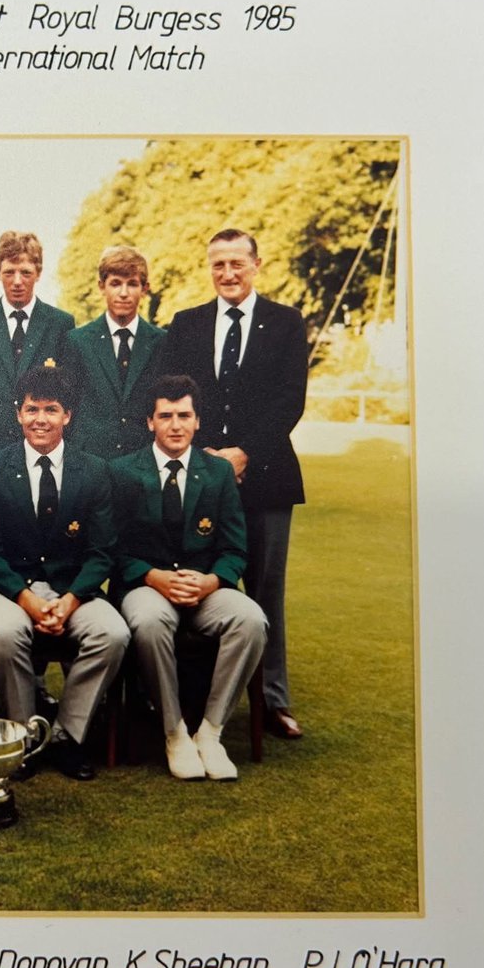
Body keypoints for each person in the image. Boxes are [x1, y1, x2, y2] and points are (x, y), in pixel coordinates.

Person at [163, 229, 309, 739]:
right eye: (218, 264)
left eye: (236, 263)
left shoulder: (286, 323)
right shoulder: (186, 323)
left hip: (267, 479)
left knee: (266, 590)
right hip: (201, 478)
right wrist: (204, 456)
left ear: (256, 265)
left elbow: (290, 399)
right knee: (204, 587)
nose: (227, 273)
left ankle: (272, 699)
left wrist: (245, 453)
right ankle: (197, 697)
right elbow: (173, 395)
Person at [0, 365, 129, 781]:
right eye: (32, 409)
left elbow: (103, 551)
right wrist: (24, 598)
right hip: (11, 589)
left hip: (73, 590)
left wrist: (72, 599)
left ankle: (65, 736)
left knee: (113, 634)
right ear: (18, 413)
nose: (40, 419)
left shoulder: (94, 470)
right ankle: (25, 736)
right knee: (4, 634)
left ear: (68, 415)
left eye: (51, 409)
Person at [110, 375, 268, 780]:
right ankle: (175, 732)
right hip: (147, 585)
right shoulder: (122, 472)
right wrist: (154, 577)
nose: (176, 425)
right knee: (149, 622)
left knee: (251, 620)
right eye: (166, 416)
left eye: (184, 415)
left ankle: (210, 732)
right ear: (150, 422)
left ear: (198, 421)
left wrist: (211, 582)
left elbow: (235, 549)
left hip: (205, 587)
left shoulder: (217, 473)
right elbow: (112, 549)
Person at [0, 231, 75, 461]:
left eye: (25, 272)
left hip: (41, 449)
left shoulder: (60, 324)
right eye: (9, 272)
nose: (17, 281)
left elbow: (68, 392)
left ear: (38, 273)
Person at [64, 245, 166, 460]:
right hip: (91, 459)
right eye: (115, 283)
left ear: (145, 289)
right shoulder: (78, 341)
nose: (123, 293)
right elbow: (67, 406)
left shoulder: (161, 342)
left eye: (132, 284)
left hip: (144, 460)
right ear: (102, 286)